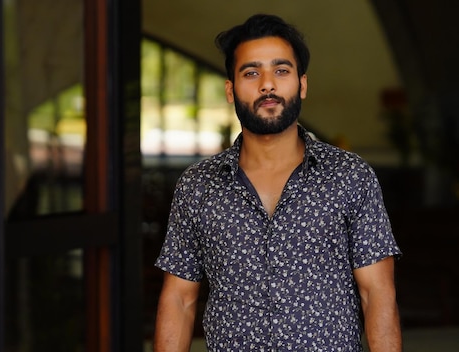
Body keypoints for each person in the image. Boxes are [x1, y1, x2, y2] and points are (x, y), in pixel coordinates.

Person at [153, 14, 402, 352]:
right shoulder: (198, 186)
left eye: (281, 71)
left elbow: (377, 295)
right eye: (251, 72)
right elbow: (180, 299)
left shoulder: (349, 176)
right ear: (230, 89)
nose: (267, 84)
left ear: (302, 84)